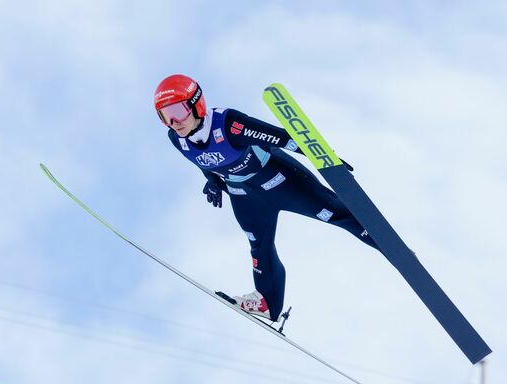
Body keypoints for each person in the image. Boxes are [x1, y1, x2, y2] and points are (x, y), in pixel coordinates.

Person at [154, 74, 382, 321]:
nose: (174, 121)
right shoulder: (177, 140)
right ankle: (268, 304)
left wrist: (327, 160)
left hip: (279, 179)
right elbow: (203, 161)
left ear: (196, 103)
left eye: (178, 110)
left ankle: (385, 243)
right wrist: (212, 182)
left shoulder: (228, 124)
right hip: (244, 195)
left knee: (332, 213)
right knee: (259, 245)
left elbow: (282, 138)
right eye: (165, 116)